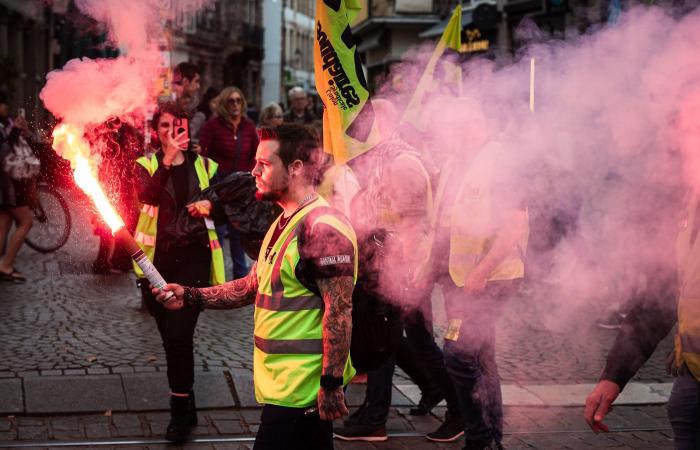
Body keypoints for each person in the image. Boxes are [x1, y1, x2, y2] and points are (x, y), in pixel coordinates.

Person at [153, 124, 357, 450]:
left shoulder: (323, 228)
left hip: (302, 393)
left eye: (265, 163)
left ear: (295, 168)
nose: (254, 171)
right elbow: (251, 286)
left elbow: (340, 310)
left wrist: (331, 385)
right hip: (283, 389)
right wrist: (191, 295)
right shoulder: (282, 221)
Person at [334, 99, 460, 442]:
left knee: (391, 341)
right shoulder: (381, 161)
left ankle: (379, 417)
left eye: (366, 124)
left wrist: (401, 274)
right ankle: (450, 406)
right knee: (410, 341)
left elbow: (415, 225)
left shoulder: (402, 162)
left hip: (402, 271)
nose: (358, 131)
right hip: (387, 268)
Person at [429, 98, 529, 450]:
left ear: (477, 123)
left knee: (458, 352)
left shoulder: (501, 161)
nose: (452, 133)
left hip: (494, 277)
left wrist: (482, 271)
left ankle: (479, 437)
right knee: (481, 355)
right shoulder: (456, 162)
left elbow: (514, 226)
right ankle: (490, 439)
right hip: (462, 278)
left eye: (459, 125)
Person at [133, 102, 225, 443]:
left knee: (178, 335)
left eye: (177, 127)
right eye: (164, 127)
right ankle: (188, 403)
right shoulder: (146, 165)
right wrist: (168, 162)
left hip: (195, 261)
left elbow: (227, 207)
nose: (171, 133)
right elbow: (146, 198)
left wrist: (211, 205)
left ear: (187, 128)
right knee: (170, 338)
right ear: (156, 132)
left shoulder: (205, 165)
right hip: (156, 262)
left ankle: (178, 415)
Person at [199, 86, 259, 279]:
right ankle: (215, 276)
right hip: (220, 186)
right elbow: (203, 155)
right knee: (217, 231)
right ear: (224, 104)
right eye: (230, 101)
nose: (235, 104)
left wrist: (248, 176)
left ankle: (241, 276)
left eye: (238, 100)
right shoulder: (212, 125)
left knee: (238, 232)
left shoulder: (248, 126)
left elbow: (256, 154)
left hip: (242, 186)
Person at [0, 111, 38, 283]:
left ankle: (3, 265)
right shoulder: (5, 128)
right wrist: (15, 131)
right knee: (26, 222)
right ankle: (5, 265)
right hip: (9, 186)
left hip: (5, 186)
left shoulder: (5, 125)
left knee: (4, 224)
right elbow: (6, 151)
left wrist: (20, 131)